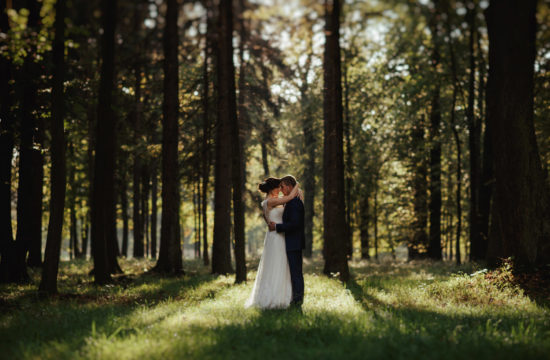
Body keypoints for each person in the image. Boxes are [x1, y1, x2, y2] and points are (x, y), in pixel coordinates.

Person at [245, 177, 301, 309]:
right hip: (277, 237)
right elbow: (290, 197)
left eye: (282, 187)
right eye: (279, 187)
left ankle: (284, 296)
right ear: (273, 189)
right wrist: (296, 184)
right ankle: (275, 298)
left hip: (275, 235)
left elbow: (268, 221)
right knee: (276, 264)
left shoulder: (266, 203)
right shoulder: (271, 201)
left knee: (281, 265)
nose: (281, 190)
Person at [268, 175, 305, 307]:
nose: (282, 190)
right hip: (292, 242)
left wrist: (277, 227)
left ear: (289, 187)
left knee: (296, 273)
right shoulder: (291, 201)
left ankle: (298, 300)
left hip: (294, 242)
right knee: (294, 273)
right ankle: (295, 298)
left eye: (283, 187)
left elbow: (294, 224)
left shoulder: (294, 202)